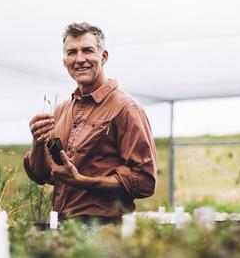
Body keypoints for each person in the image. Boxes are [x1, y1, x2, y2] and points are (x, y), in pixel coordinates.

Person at [23, 22, 157, 220]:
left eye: (87, 50)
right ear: (64, 61)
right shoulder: (62, 109)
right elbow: (41, 175)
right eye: (72, 52)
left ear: (104, 57)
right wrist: (37, 142)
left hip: (105, 230)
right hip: (62, 227)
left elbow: (145, 182)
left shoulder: (126, 109)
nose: (79, 59)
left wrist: (81, 181)